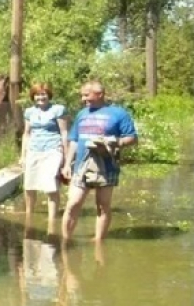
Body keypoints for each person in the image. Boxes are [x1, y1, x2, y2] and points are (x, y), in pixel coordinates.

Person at [61, 80, 138, 241]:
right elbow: (74, 140)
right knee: (72, 204)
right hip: (81, 166)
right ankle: (65, 241)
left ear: (100, 94)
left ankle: (98, 242)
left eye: (86, 95)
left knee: (103, 206)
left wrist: (114, 142)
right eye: (82, 96)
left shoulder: (119, 113)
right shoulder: (82, 114)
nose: (83, 99)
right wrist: (67, 164)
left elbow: (132, 138)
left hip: (106, 166)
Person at [20, 82, 69, 232]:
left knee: (50, 185)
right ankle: (29, 215)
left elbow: (64, 133)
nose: (41, 97)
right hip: (34, 150)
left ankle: (52, 221)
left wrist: (66, 159)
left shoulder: (58, 110)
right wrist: (23, 155)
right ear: (33, 96)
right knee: (29, 185)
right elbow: (27, 133)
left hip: (52, 150)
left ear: (49, 95)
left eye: (43, 94)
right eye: (37, 94)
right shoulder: (29, 112)